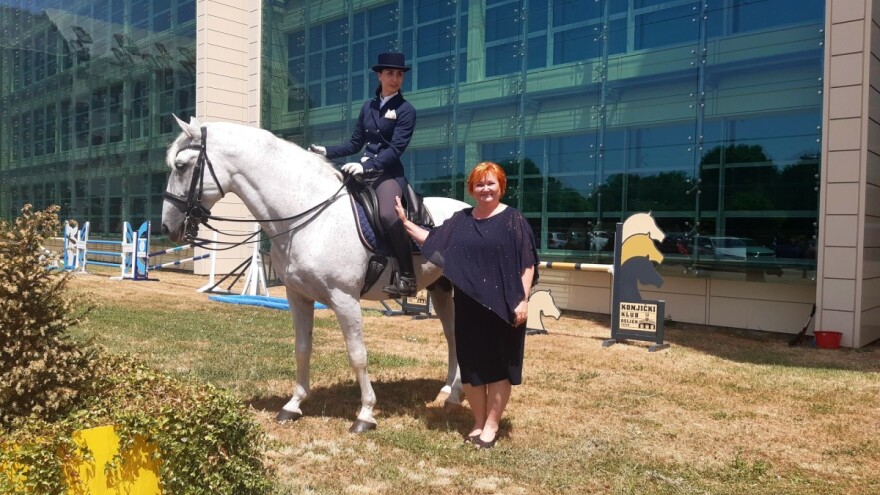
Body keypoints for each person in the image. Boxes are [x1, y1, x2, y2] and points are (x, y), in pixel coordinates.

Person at [394, 161, 539, 449]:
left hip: (504, 305)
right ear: (472, 189)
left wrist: (522, 300)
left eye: (491, 183)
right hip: (469, 306)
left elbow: (527, 264)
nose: (485, 189)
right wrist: (405, 222)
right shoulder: (461, 220)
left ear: (501, 187)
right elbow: (432, 240)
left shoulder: (514, 220)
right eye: (479, 184)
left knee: (498, 368)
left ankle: (492, 425)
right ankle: (478, 420)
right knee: (472, 368)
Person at [309, 52, 418, 297]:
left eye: (399, 74)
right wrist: (326, 150)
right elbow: (355, 143)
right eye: (390, 73)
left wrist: (367, 166)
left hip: (388, 174)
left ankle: (408, 277)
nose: (395, 78)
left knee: (389, 215)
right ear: (379, 75)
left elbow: (396, 149)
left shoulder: (406, 110)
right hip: (364, 172)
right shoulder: (368, 106)